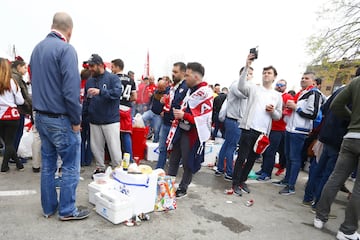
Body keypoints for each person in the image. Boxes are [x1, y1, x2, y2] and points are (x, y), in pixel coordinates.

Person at [30, 12, 90, 220]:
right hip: (60, 118)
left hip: (41, 116)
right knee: (71, 164)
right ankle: (67, 210)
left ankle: (48, 208)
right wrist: (76, 120)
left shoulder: (37, 49)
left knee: (47, 164)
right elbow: (71, 91)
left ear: (52, 26)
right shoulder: (66, 49)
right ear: (69, 32)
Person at [226, 53, 282, 196]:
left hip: (262, 133)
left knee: (252, 158)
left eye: (269, 73)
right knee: (242, 157)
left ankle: (242, 180)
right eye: (264, 73)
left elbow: (278, 116)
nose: (266, 75)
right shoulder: (254, 88)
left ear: (274, 77)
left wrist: (273, 110)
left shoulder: (277, 96)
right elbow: (241, 85)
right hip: (249, 128)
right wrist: (247, 65)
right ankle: (235, 182)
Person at [314, 70, 360, 240]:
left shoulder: (356, 82)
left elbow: (336, 105)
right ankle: (347, 230)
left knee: (335, 178)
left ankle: (320, 217)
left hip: (350, 137)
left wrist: (352, 119)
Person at [273, 71, 323, 195]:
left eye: (306, 78)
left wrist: (297, 108)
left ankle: (291, 186)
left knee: (294, 158)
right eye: (302, 77)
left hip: (299, 131)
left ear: (313, 81)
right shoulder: (301, 93)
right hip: (290, 128)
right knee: (289, 156)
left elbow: (314, 114)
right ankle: (287, 180)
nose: (303, 80)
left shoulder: (314, 94)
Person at [168, 62, 213, 198]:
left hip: (193, 133)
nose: (185, 78)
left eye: (187, 75)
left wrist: (184, 115)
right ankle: (167, 186)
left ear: (196, 76)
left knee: (188, 162)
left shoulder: (206, 92)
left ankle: (183, 187)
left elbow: (203, 118)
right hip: (180, 129)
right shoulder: (188, 90)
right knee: (173, 158)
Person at [83, 54, 122, 174]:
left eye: (92, 66)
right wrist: (83, 118)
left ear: (100, 65)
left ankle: (118, 169)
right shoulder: (89, 81)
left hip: (110, 120)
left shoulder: (112, 78)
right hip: (94, 120)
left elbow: (117, 93)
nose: (90, 68)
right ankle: (100, 168)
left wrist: (101, 92)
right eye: (89, 66)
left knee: (114, 148)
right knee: (96, 148)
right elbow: (86, 101)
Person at [215, 67, 253, 180]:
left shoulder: (238, 86)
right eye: (248, 74)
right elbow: (244, 95)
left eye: (251, 74)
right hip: (234, 120)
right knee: (231, 146)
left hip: (233, 119)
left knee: (227, 144)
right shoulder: (236, 85)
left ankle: (220, 168)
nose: (250, 76)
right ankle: (229, 172)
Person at [256, 79, 293, 180]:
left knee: (271, 152)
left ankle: (267, 173)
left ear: (285, 87)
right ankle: (263, 169)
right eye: (278, 84)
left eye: (282, 85)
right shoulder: (272, 95)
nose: (279, 86)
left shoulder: (288, 97)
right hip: (267, 127)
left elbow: (289, 112)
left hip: (278, 129)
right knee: (264, 149)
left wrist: (277, 111)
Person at [156, 62, 188, 169]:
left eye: (175, 72)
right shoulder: (171, 87)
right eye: (172, 71)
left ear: (183, 73)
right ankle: (159, 170)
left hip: (177, 125)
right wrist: (163, 102)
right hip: (166, 121)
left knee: (174, 151)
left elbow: (181, 104)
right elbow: (168, 101)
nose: (173, 74)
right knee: (162, 148)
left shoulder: (186, 87)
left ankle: (172, 173)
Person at [0, 58, 25, 172]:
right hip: (12, 115)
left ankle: (18, 164)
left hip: (0, 116)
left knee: (7, 142)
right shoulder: (12, 82)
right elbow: (20, 101)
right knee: (10, 143)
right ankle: (4, 166)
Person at [111, 58, 136, 161]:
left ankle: (116, 159)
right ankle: (129, 159)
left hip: (115, 107)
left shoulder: (112, 78)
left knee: (114, 135)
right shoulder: (131, 80)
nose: (111, 69)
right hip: (126, 108)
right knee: (126, 133)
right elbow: (135, 97)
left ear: (117, 67)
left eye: (112, 67)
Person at [11, 58, 32, 162]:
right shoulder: (16, 78)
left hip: (17, 110)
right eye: (24, 67)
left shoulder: (14, 77)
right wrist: (30, 106)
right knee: (17, 134)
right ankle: (13, 157)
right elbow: (22, 96)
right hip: (19, 109)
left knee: (15, 135)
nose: (26, 70)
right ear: (18, 67)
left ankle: (12, 155)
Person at [80, 68, 92, 166]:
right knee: (91, 139)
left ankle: (81, 159)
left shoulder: (78, 84)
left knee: (81, 138)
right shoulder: (91, 85)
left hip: (79, 114)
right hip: (90, 113)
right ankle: (88, 160)